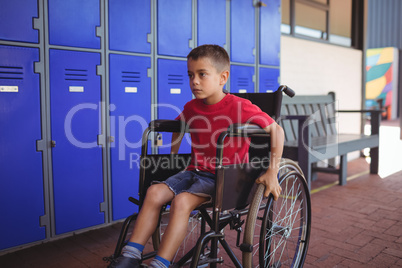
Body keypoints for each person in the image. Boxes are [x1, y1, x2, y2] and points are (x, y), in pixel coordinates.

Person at [110, 44, 284, 268]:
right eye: (191, 75)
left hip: (224, 179)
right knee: (153, 192)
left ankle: (159, 263)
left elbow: (276, 130)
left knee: (182, 202)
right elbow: (178, 126)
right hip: (194, 172)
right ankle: (130, 255)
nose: (195, 81)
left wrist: (272, 170)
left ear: (223, 77)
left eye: (202, 74)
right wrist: (173, 156)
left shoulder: (241, 107)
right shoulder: (192, 107)